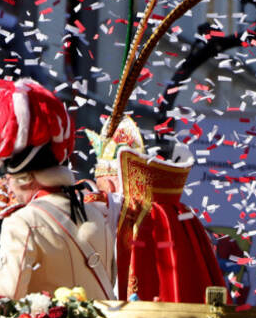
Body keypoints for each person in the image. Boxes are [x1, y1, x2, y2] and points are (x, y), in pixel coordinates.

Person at [0, 79, 116, 299]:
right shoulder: (95, 213)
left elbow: (4, 299)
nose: (6, 185)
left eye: (7, 178)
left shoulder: (22, 222)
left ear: (25, 178)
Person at [87, 117, 228, 303]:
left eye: (102, 188)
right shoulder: (181, 215)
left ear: (112, 186)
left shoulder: (127, 214)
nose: (100, 193)